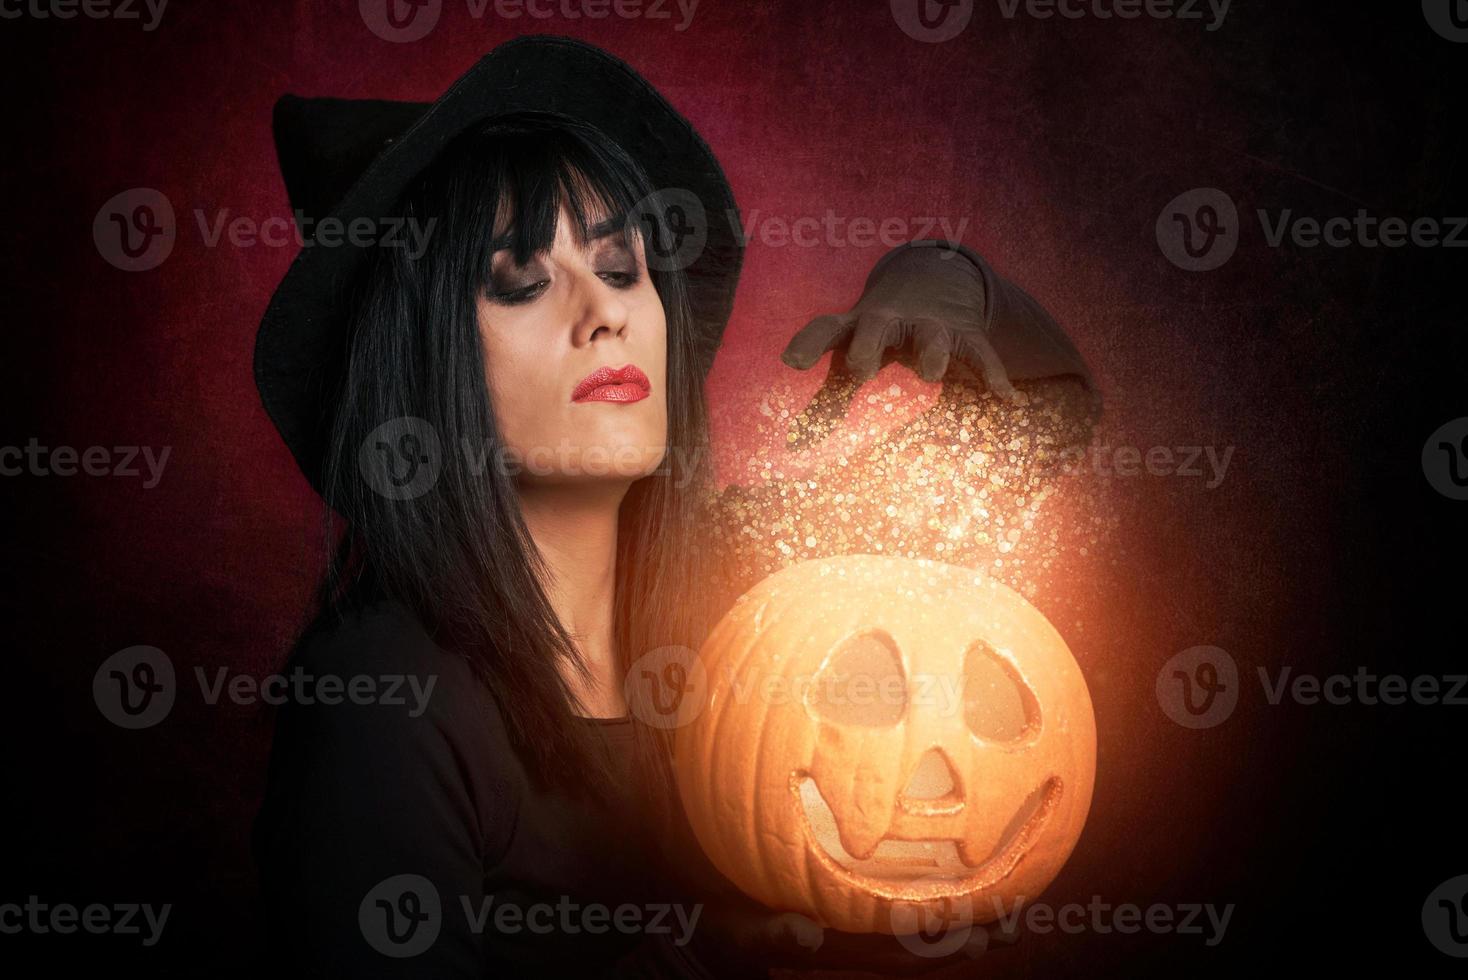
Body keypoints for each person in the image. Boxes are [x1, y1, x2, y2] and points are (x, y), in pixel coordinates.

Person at [250, 35, 1098, 978]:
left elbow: (1049, 415)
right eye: (522, 284)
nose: (605, 312)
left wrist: (946, 279)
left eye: (622, 269)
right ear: (420, 365)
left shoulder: (760, 589)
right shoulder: (386, 701)